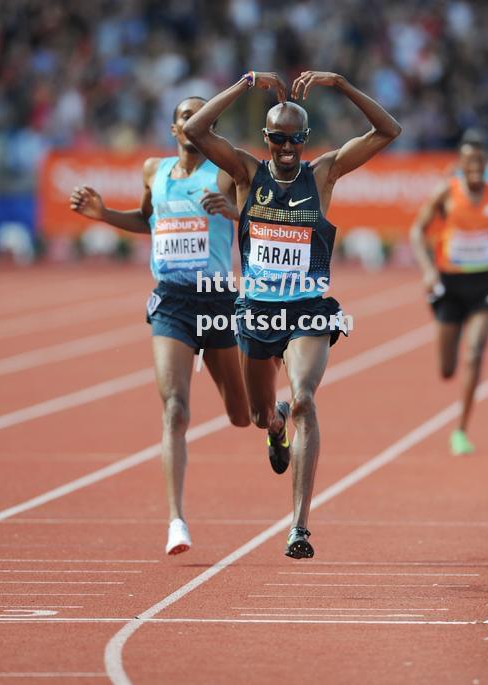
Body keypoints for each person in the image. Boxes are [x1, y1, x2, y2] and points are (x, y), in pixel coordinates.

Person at [183, 70, 401, 558]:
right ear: (266, 138)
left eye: (294, 139)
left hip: (307, 310)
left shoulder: (322, 174)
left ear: (305, 140)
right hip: (258, 312)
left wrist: (342, 85)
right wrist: (244, 85)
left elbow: (389, 132)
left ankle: (298, 526)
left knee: (305, 398)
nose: (285, 148)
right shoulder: (244, 172)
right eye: (277, 138)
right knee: (261, 414)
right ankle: (276, 426)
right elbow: (197, 131)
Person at [70, 97, 250, 555]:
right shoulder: (155, 170)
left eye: (200, 116)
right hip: (170, 300)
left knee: (242, 415)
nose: (193, 123)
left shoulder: (226, 173)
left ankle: (278, 420)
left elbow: (256, 223)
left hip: (215, 297)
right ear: (173, 129)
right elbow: (147, 220)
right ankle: (176, 521)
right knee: (174, 409)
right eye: (185, 116)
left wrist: (232, 212)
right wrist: (104, 215)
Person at [410, 139, 488, 456]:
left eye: (480, 162)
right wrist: (428, 270)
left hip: (484, 285)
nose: (474, 168)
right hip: (449, 286)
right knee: (447, 369)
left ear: (486, 165)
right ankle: (452, 337)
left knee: (474, 354)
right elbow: (417, 231)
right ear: (460, 164)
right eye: (468, 162)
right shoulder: (446, 193)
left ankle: (460, 430)